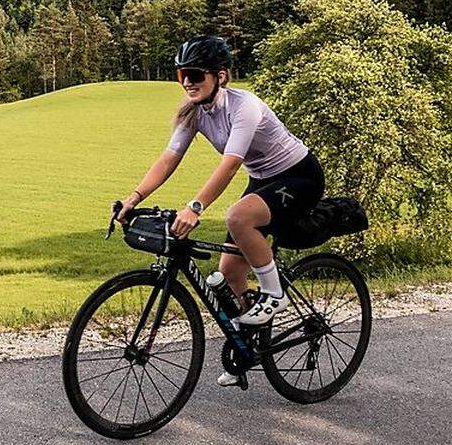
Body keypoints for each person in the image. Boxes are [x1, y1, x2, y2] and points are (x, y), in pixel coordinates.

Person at [116, 35, 325, 386]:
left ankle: (275, 294)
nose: (187, 82)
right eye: (182, 73)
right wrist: (134, 197)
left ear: (221, 76)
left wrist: (195, 207)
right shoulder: (193, 113)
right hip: (263, 180)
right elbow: (169, 159)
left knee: (237, 217)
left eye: (196, 74)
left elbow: (230, 164)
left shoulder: (245, 107)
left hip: (299, 175)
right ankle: (249, 349)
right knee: (229, 270)